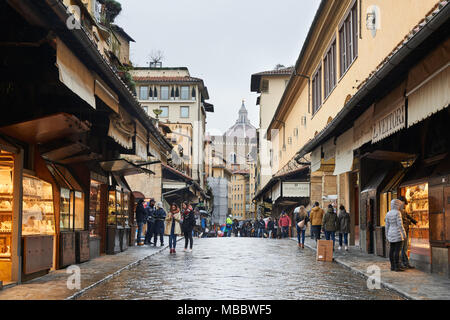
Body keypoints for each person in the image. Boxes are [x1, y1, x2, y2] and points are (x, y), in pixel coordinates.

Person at [385, 199, 407, 272]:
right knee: (398, 251)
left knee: (391, 250)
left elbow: (387, 226)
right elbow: (400, 225)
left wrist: (387, 235)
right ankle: (397, 266)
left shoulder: (388, 213)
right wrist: (404, 234)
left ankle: (392, 266)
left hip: (391, 233)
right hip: (397, 233)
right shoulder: (397, 213)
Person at [398, 196, 417, 269]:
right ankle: (401, 263)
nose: (404, 205)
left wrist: (415, 222)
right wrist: (409, 222)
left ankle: (406, 263)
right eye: (403, 204)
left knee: (405, 248)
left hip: (405, 231)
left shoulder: (403, 211)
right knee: (401, 248)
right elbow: (403, 221)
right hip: (401, 232)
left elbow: (409, 217)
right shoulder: (398, 212)